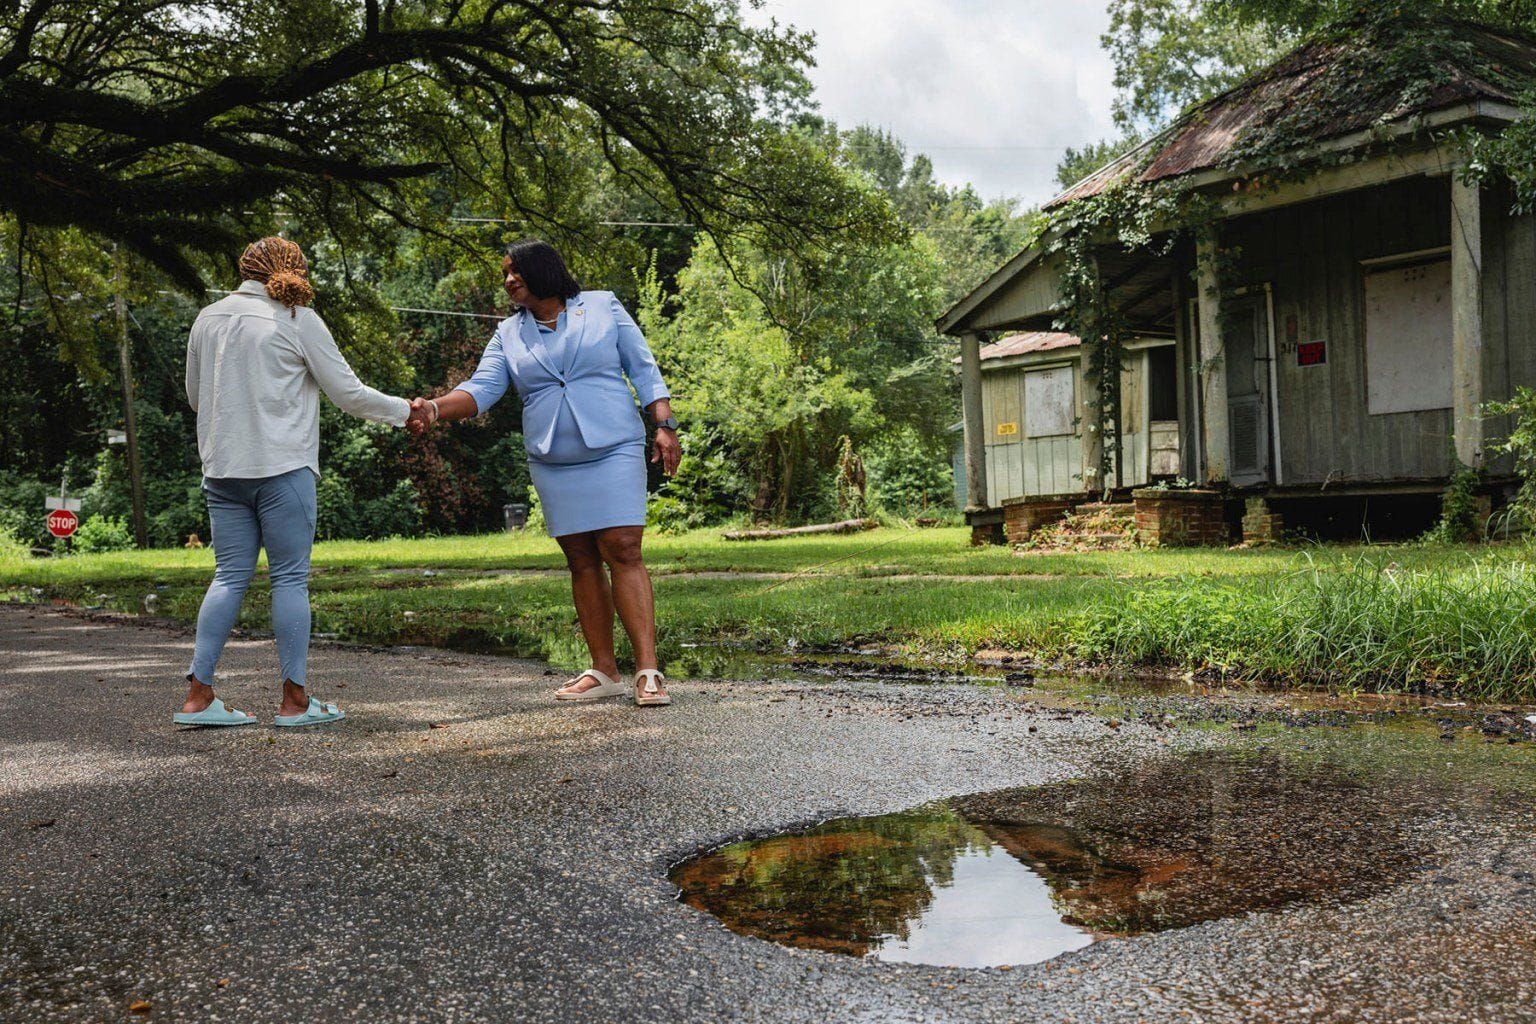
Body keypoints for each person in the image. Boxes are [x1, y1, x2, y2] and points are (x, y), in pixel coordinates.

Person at [409, 239, 680, 706]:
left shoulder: (600, 306)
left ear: (544, 269)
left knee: (623, 547)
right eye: (506, 275)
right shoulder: (508, 334)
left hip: (614, 445)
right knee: (579, 557)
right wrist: (434, 408)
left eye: (516, 271)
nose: (510, 281)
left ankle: (648, 671)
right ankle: (605, 670)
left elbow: (643, 366)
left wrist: (664, 424)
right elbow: (480, 390)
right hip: (554, 457)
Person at [175, 237, 427, 728]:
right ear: (294, 270)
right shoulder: (297, 320)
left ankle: (198, 699)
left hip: (223, 470)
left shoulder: (208, 318)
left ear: (245, 268)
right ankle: (294, 703)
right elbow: (348, 394)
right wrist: (407, 411)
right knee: (289, 578)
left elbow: (194, 397)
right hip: (283, 468)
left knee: (228, 577)